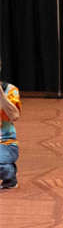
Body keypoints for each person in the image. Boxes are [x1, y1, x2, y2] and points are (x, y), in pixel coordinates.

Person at [0, 60, 19, 189]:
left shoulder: (10, 89)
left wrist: (1, 95)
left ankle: (9, 174)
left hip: (4, 142)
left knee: (2, 165)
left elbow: (14, 116)